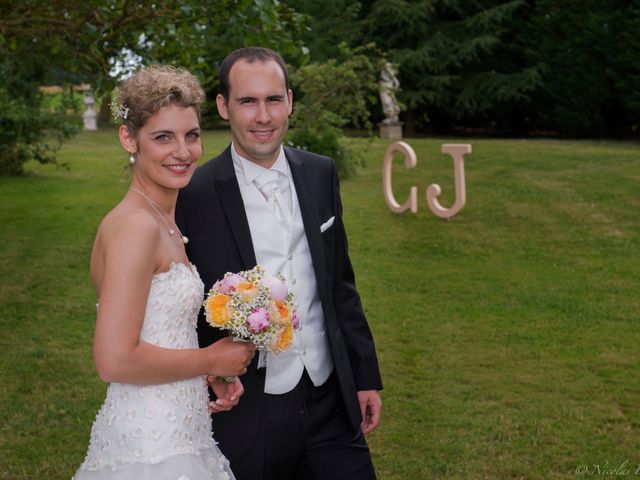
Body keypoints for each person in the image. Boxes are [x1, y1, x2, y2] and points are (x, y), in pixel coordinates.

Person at [176, 47, 383, 480]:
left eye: (273, 100)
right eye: (247, 102)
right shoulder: (194, 194)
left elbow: (339, 284)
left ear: (289, 101)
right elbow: (183, 307)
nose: (263, 116)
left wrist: (365, 376)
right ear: (223, 107)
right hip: (252, 407)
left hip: (330, 398)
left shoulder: (320, 172)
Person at [73, 66, 256, 480]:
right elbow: (114, 360)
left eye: (191, 135)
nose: (183, 151)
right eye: (163, 137)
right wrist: (211, 356)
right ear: (128, 138)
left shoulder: (163, 221)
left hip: (182, 427)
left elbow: (154, 329)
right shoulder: (135, 226)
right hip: (151, 448)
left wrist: (209, 371)